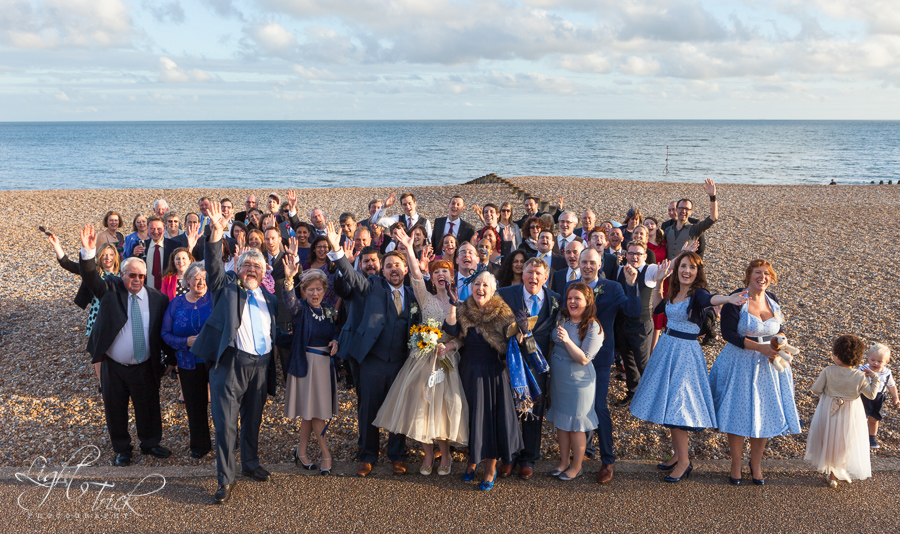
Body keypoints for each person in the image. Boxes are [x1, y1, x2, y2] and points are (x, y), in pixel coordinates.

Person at [629, 251, 747, 483]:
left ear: (697, 271)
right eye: (683, 266)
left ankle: (684, 462)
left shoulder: (697, 294)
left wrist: (728, 299)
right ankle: (678, 455)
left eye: (692, 268)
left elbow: (711, 298)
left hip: (685, 353)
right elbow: (656, 309)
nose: (687, 271)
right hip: (667, 349)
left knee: (678, 405)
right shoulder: (675, 291)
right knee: (669, 401)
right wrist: (660, 281)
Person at [191, 202, 278, 505]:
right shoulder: (226, 288)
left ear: (263, 272)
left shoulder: (269, 297)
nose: (252, 270)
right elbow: (213, 268)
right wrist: (216, 231)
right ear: (238, 270)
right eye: (247, 266)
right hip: (230, 366)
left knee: (253, 420)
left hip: (260, 367)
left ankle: (250, 464)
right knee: (227, 425)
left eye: (257, 266)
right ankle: (225, 480)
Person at [373, 228, 468, 476]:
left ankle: (445, 455)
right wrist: (409, 248)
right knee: (421, 408)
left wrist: (450, 346)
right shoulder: (425, 298)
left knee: (444, 409)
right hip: (422, 360)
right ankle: (428, 456)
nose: (440, 275)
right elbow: (414, 274)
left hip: (447, 361)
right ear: (432, 276)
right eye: (436, 272)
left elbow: (463, 338)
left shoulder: (460, 302)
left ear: (451, 275)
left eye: (444, 271)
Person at [78, 224, 172, 467]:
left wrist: (169, 360)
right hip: (114, 366)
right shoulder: (109, 290)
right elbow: (90, 279)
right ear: (123, 276)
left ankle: (150, 443)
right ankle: (122, 449)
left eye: (141, 276)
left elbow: (162, 332)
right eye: (132, 275)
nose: (137, 279)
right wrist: (88, 252)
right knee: (115, 410)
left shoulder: (158, 299)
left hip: (144, 365)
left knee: (149, 407)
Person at [327, 223, 417, 477]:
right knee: (368, 407)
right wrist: (337, 251)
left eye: (397, 265)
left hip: (401, 361)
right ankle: (367, 454)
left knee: (399, 407)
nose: (393, 270)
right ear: (383, 270)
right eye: (388, 266)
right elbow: (352, 277)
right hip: (372, 360)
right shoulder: (373, 286)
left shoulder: (413, 294)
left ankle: (397, 455)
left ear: (405, 269)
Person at [708, 259, 801, 485]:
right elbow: (729, 334)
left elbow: (779, 329)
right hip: (740, 362)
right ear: (748, 275)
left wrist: (781, 346)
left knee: (764, 413)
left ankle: (756, 463)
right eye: (758, 272)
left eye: (767, 273)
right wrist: (761, 348)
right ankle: (736, 464)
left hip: (769, 366)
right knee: (738, 412)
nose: (763, 277)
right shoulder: (737, 299)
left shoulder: (773, 300)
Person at [445, 270, 521, 491]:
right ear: (471, 287)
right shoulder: (464, 309)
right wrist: (452, 306)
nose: (480, 289)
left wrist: (523, 333)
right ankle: (472, 461)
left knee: (490, 421)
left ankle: (490, 468)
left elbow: (515, 346)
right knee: (471, 419)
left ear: (493, 290)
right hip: (468, 371)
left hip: (493, 374)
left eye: (485, 285)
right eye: (477, 284)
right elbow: (452, 331)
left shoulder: (503, 313)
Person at [568, 247, 640, 484]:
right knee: (577, 408)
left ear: (600, 264)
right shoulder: (571, 287)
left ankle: (608, 460)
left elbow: (632, 311)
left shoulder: (612, 288)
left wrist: (631, 284)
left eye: (592, 262)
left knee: (599, 407)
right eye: (583, 262)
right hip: (572, 357)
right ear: (578, 263)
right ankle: (580, 456)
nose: (587, 266)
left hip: (599, 359)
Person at [496, 258, 560, 480]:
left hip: (538, 367)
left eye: (538, 273)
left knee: (534, 413)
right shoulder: (505, 294)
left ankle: (528, 459)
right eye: (529, 272)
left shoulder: (555, 300)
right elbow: (495, 327)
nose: (533, 277)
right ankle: (509, 458)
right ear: (522, 274)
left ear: (545, 276)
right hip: (511, 364)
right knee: (510, 412)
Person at [281, 264, 340, 477]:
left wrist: (335, 340)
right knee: (316, 414)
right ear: (304, 291)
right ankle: (326, 454)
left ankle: (302, 451)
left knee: (309, 413)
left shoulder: (328, 311)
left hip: (325, 367)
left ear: (324, 291)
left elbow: (334, 332)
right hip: (307, 366)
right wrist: (289, 280)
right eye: (310, 289)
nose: (315, 293)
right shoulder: (300, 310)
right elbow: (289, 302)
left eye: (319, 289)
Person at [545, 282, 604, 481]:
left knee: (576, 425)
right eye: (570, 298)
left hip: (579, 383)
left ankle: (577, 466)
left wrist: (568, 340)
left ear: (587, 302)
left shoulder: (593, 326)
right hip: (559, 379)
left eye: (577, 298)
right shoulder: (562, 318)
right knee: (562, 422)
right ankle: (563, 462)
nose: (572, 302)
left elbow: (584, 358)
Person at [805, 335, 881, 487]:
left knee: (829, 438)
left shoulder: (828, 371)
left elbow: (816, 389)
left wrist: (829, 391)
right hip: (851, 411)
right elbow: (871, 395)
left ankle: (832, 474)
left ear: (837, 356)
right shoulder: (859, 375)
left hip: (828, 408)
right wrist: (875, 378)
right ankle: (839, 470)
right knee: (846, 441)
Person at [48, 232, 121, 388]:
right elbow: (68, 264)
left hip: (117, 316)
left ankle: (116, 380)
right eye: (104, 255)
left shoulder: (124, 274)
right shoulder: (94, 272)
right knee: (98, 351)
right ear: (100, 257)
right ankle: (103, 383)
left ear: (115, 257)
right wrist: (57, 246)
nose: (107, 258)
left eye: (110, 255)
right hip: (98, 315)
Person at [160, 262, 213, 459]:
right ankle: (200, 445)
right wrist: (185, 341)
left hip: (215, 361)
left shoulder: (215, 300)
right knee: (194, 405)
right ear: (187, 280)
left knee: (221, 405)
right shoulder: (176, 304)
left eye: (204, 279)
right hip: (188, 362)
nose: (200, 282)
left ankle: (228, 441)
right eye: (196, 278)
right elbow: (165, 333)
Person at [611, 241, 662, 408]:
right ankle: (633, 392)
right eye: (631, 253)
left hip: (642, 324)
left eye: (638, 254)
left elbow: (670, 267)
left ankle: (652, 398)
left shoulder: (650, 270)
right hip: (623, 323)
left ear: (645, 256)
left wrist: (683, 252)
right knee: (628, 360)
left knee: (643, 362)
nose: (634, 257)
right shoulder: (620, 270)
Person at [664, 179, 718, 259]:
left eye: (687, 209)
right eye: (681, 208)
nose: (683, 211)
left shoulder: (694, 229)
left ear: (691, 212)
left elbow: (713, 218)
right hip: (668, 269)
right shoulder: (668, 229)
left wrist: (712, 196)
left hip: (685, 269)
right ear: (677, 209)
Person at [860, 344, 899, 449]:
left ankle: (872, 437)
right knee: (861, 417)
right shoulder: (863, 370)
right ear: (867, 358)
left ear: (886, 362)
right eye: (872, 360)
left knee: (875, 418)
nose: (875, 363)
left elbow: (891, 385)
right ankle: (858, 436)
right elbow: (855, 382)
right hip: (865, 396)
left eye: (880, 361)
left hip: (879, 397)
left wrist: (896, 398)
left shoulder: (887, 373)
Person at [132, 216, 176, 292]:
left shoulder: (174, 246)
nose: (156, 232)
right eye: (152, 229)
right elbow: (132, 267)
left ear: (164, 229)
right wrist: (134, 255)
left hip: (168, 291)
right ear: (148, 229)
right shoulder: (140, 246)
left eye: (159, 229)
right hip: (146, 291)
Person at [303, 235, 338, 308]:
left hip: (331, 308)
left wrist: (336, 310)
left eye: (325, 247)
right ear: (314, 249)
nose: (322, 249)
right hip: (310, 308)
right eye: (319, 247)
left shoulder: (334, 266)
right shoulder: (307, 266)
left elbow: (340, 291)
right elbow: (303, 288)